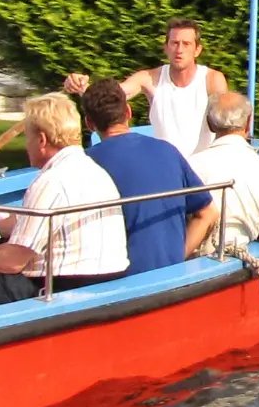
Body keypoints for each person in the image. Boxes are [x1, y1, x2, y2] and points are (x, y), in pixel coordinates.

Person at [0, 93, 128, 310]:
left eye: (27, 138)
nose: (26, 146)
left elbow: (13, 262)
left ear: (41, 140)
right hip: (102, 280)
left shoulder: (51, 181)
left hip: (57, 288)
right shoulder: (96, 172)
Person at [79, 79, 219, 274]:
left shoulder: (83, 164)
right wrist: (177, 257)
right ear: (128, 111)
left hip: (119, 282)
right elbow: (208, 212)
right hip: (173, 277)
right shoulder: (167, 151)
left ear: (89, 123)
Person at [63, 18, 228, 158]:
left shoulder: (212, 79)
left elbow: (227, 123)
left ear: (197, 50)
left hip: (205, 170)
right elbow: (113, 96)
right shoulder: (149, 78)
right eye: (175, 43)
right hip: (167, 169)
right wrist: (82, 87)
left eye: (186, 44)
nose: (179, 50)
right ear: (166, 48)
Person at [187, 91, 259, 255]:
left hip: (194, 260)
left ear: (209, 123)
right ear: (249, 123)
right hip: (241, 256)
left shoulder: (189, 166)